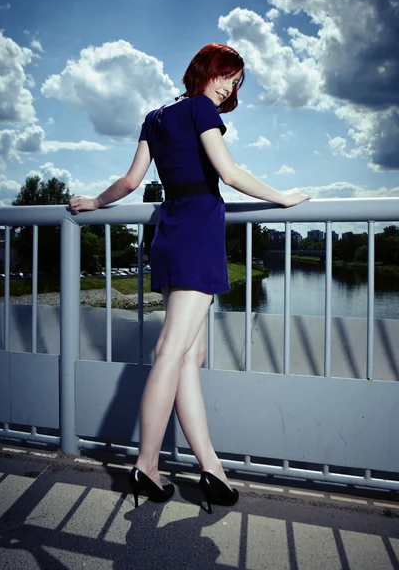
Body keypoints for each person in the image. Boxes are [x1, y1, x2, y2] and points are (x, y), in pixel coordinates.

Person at [69, 43, 310, 513]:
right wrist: (282, 198)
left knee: (188, 355)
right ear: (204, 71)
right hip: (199, 231)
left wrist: (97, 203)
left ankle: (210, 468)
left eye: (236, 82)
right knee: (171, 352)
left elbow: (132, 180)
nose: (228, 88)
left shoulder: (156, 116)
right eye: (226, 75)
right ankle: (147, 465)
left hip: (169, 232)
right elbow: (229, 172)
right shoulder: (199, 108)